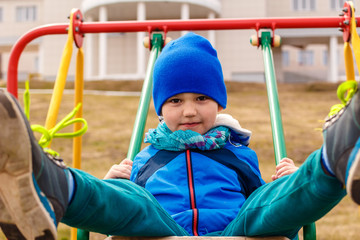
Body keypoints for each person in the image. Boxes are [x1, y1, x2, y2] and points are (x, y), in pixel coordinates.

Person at [0, 32, 359, 240]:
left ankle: (336, 157)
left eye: (201, 98)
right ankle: (55, 188)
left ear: (218, 102)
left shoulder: (236, 152)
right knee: (131, 200)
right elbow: (128, 214)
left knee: (269, 200)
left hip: (234, 233)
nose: (189, 111)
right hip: (163, 230)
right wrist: (112, 186)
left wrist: (283, 186)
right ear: (160, 109)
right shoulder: (147, 158)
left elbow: (262, 207)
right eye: (175, 101)